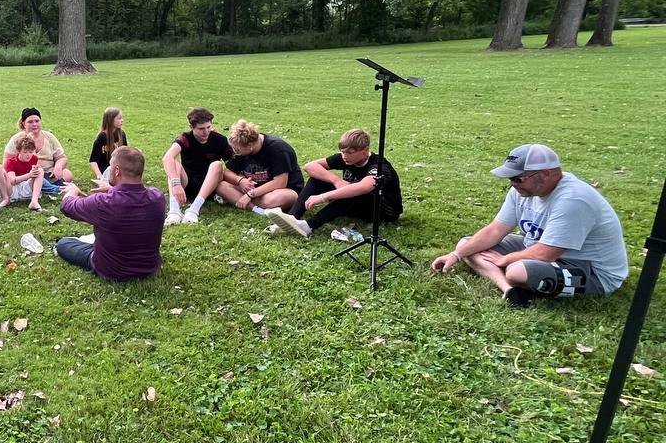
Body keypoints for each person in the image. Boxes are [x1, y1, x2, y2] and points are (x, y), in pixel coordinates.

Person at [431, 144, 629, 307]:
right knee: (466, 244)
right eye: (510, 178)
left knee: (518, 271)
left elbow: (546, 254)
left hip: (590, 270)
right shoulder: (520, 191)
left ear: (546, 173)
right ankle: (509, 289)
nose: (513, 184)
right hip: (538, 250)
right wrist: (456, 255)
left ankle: (511, 277)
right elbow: (496, 230)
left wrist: (504, 260)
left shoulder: (574, 199)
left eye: (518, 178)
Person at [267, 128, 402, 238]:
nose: (344, 156)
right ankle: (292, 217)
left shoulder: (379, 166)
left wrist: (322, 197)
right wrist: (336, 181)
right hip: (355, 205)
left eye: (350, 152)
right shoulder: (346, 158)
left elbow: (364, 187)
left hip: (382, 211)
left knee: (353, 191)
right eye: (342, 152)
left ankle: (308, 226)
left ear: (365, 151)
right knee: (318, 178)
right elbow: (310, 166)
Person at [57, 146, 166, 280]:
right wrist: (112, 189)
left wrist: (72, 191)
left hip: (111, 269)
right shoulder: (158, 197)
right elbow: (131, 197)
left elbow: (67, 206)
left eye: (110, 166)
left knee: (63, 244)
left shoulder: (104, 202)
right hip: (149, 267)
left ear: (117, 171)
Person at [162, 107, 232, 225]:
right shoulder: (185, 138)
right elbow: (167, 158)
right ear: (191, 127)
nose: (206, 132)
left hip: (211, 186)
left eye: (208, 127)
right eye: (201, 129)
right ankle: (174, 211)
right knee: (174, 164)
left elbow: (232, 165)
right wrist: (176, 183)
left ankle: (194, 210)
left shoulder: (219, 140)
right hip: (187, 184)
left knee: (217, 164)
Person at [216, 120, 303, 214]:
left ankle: (242, 200)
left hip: (282, 190)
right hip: (254, 188)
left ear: (250, 146)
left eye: (237, 149)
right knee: (221, 186)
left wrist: (250, 195)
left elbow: (280, 182)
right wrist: (240, 181)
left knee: (275, 199)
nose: (235, 151)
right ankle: (258, 210)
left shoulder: (278, 149)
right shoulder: (240, 146)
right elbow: (227, 172)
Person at [3, 108, 73, 193]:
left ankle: (44, 188)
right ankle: (54, 189)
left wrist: (58, 167)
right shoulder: (17, 139)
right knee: (36, 178)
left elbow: (62, 157)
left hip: (49, 173)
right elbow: (6, 162)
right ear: (24, 124)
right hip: (28, 175)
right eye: (30, 122)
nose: (34, 124)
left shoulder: (49, 136)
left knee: (67, 174)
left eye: (37, 121)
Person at [88, 107, 128, 192]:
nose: (122, 120)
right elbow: (93, 160)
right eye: (119, 118)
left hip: (118, 170)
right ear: (110, 120)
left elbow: (125, 155)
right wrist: (99, 176)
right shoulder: (102, 137)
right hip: (106, 171)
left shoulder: (121, 134)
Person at [3, 134, 46, 211]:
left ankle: (34, 201)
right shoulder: (11, 162)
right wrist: (29, 175)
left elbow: (37, 174)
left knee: (40, 170)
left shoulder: (34, 158)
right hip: (14, 188)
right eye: (25, 152)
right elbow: (12, 181)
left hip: (27, 186)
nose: (28, 155)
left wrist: (34, 172)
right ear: (19, 151)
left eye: (30, 152)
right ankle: (6, 199)